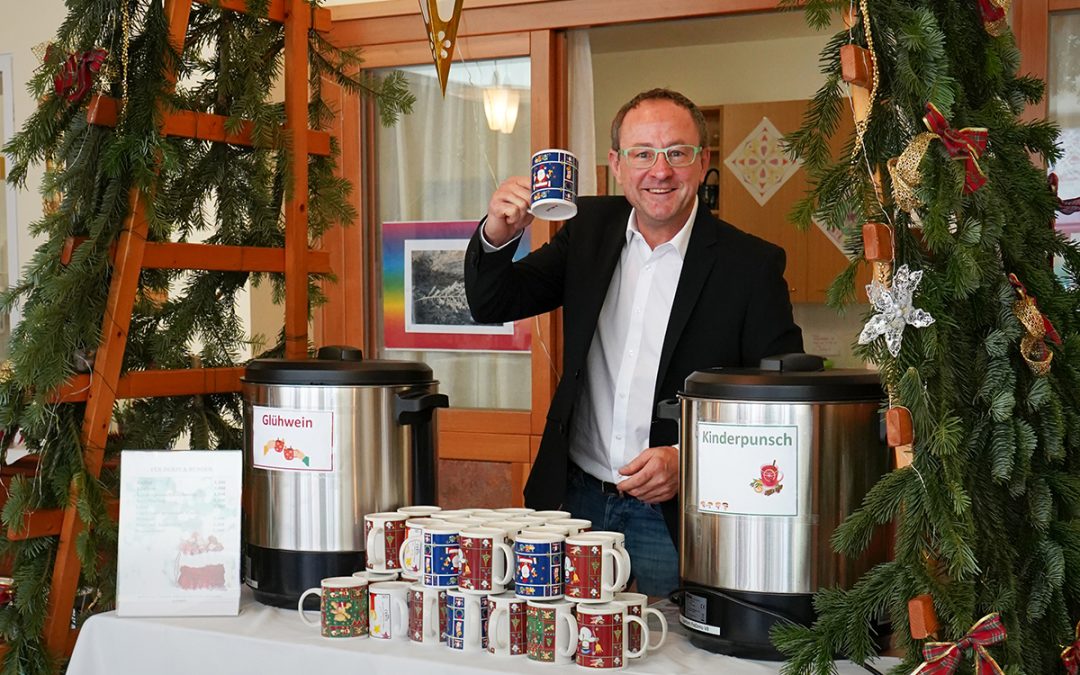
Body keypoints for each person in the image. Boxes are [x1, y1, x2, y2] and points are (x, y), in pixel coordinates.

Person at [464, 88, 803, 597]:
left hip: (679, 516)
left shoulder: (751, 266)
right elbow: (493, 302)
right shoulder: (587, 231)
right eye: (642, 153)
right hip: (573, 502)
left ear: (703, 161)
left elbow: (783, 408)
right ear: (617, 164)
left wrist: (688, 458)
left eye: (676, 153)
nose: (659, 170)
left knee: (682, 653)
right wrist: (498, 231)